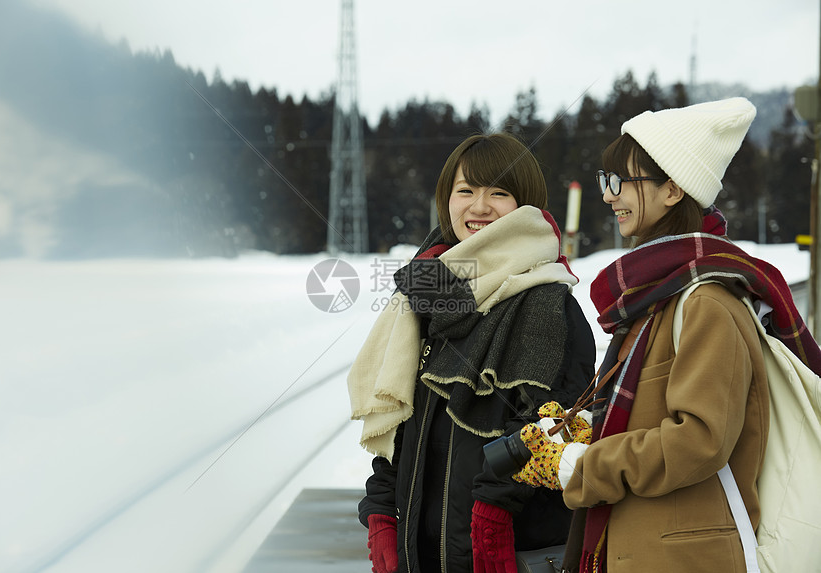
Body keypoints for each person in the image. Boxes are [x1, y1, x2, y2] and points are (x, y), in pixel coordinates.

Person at [509, 97, 821, 573]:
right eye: (604, 181)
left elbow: (699, 439)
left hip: (685, 556)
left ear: (673, 189)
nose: (608, 195)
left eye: (620, 182)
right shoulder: (659, 297)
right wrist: (592, 427)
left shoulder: (707, 302)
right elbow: (653, 414)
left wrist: (581, 466)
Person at [348, 132, 596, 573]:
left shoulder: (548, 304)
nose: (479, 207)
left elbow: (556, 427)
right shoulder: (424, 299)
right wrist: (383, 509)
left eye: (498, 193)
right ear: (447, 200)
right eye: (466, 191)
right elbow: (401, 430)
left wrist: (493, 513)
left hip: (509, 552)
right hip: (423, 556)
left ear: (525, 206)